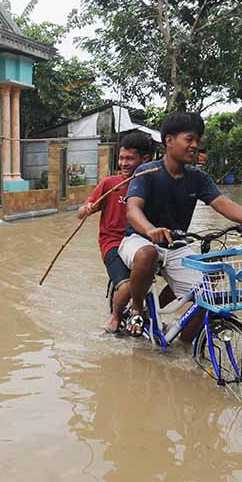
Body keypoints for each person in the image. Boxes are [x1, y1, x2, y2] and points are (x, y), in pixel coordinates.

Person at [120, 112, 242, 337]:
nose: (195, 146)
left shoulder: (198, 178)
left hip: (177, 246)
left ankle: (184, 346)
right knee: (147, 254)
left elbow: (221, 202)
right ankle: (137, 310)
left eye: (198, 141)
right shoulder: (148, 171)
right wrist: (150, 229)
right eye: (189, 139)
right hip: (139, 240)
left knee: (207, 296)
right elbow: (133, 210)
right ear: (169, 141)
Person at [77, 132, 155, 334]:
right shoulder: (110, 184)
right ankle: (115, 317)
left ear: (144, 160)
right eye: (121, 158)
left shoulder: (152, 185)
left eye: (130, 158)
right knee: (128, 286)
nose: (124, 163)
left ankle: (145, 312)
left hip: (141, 242)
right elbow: (82, 212)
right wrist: (87, 208)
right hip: (112, 241)